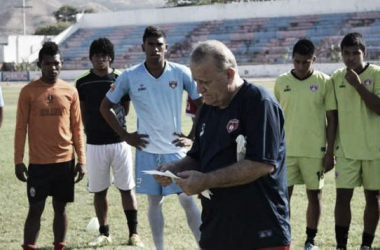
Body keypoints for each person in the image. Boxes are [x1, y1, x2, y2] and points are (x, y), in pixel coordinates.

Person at [155, 40, 291, 250]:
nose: (199, 90)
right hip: (216, 229)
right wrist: (174, 168)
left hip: (260, 232)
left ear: (229, 74)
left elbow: (261, 164)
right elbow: (197, 156)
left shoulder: (259, 103)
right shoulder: (209, 106)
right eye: (196, 82)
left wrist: (206, 180)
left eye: (205, 82)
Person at [100, 26, 202, 250]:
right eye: (151, 44)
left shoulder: (181, 72)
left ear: (166, 48)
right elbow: (105, 106)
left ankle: (204, 245)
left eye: (159, 45)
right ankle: (159, 248)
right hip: (147, 150)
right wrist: (126, 135)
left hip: (175, 150)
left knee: (187, 198)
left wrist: (192, 136)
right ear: (143, 47)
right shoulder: (130, 75)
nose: (155, 49)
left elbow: (203, 102)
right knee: (154, 201)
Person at [14, 41, 86, 250]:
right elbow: (20, 129)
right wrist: (18, 161)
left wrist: (81, 160)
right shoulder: (28, 92)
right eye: (47, 64)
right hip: (38, 163)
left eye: (56, 63)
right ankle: (29, 246)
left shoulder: (70, 91)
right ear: (39, 64)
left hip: (64, 161)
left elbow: (77, 128)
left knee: (60, 208)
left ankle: (59, 246)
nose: (52, 68)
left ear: (62, 63)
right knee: (35, 208)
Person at [75, 38, 143, 247]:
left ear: (110, 57)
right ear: (91, 57)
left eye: (104, 55)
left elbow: (126, 107)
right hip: (94, 144)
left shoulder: (121, 79)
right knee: (99, 191)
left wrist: (119, 130)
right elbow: (83, 113)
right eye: (96, 55)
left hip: (119, 142)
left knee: (126, 188)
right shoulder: (82, 82)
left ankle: (134, 234)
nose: (100, 58)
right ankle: (104, 233)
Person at [274, 39, 337, 250]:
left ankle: (310, 240)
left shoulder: (325, 82)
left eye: (306, 62)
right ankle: (284, 238)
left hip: (314, 151)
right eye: (297, 61)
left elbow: (332, 119)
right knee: (283, 197)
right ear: (292, 59)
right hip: (287, 151)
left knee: (314, 195)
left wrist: (330, 151)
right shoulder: (282, 82)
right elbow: (274, 118)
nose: (301, 67)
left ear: (314, 60)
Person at [332, 32, 380, 250]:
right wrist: (329, 150)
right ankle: (341, 245)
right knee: (342, 198)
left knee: (373, 198)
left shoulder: (377, 74)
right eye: (346, 53)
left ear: (364, 53)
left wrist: (359, 86)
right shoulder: (335, 78)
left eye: (355, 53)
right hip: (346, 150)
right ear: (341, 54)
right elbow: (331, 116)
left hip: (375, 150)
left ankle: (366, 245)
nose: (351, 58)